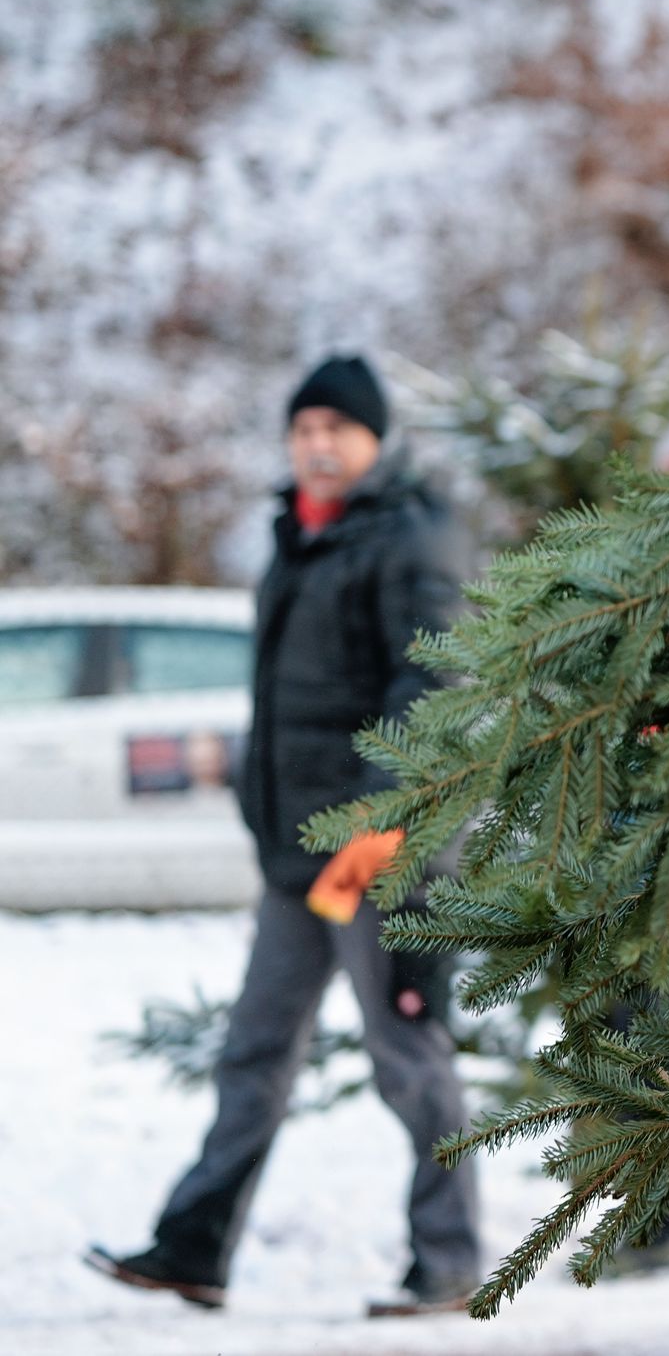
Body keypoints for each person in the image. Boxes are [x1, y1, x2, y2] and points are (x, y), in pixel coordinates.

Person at [86, 355, 483, 1318]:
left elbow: (432, 693)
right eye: (303, 426)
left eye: (336, 428)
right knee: (255, 1050)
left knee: (408, 1054)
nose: (317, 442)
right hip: (295, 855)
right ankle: (195, 1246)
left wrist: (373, 837)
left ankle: (451, 1258)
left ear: (374, 439)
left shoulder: (413, 538)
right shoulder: (299, 535)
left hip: (372, 855)